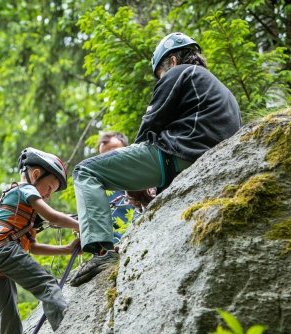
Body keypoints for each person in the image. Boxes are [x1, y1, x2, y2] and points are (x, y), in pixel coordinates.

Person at [68, 32, 241, 287]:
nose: (161, 78)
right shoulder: (222, 91)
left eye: (159, 73)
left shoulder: (179, 73)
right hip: (205, 162)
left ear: (171, 61)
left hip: (179, 156)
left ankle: (102, 252)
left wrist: (133, 182)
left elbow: (150, 125)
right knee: (143, 212)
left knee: (85, 172)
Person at [0, 147, 80, 334]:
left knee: (8, 311)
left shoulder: (21, 211)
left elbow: (32, 247)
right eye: (50, 188)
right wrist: (82, 225)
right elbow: (52, 216)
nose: (49, 195)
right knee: (47, 284)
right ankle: (68, 328)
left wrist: (67, 248)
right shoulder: (25, 189)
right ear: (35, 175)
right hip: (4, 249)